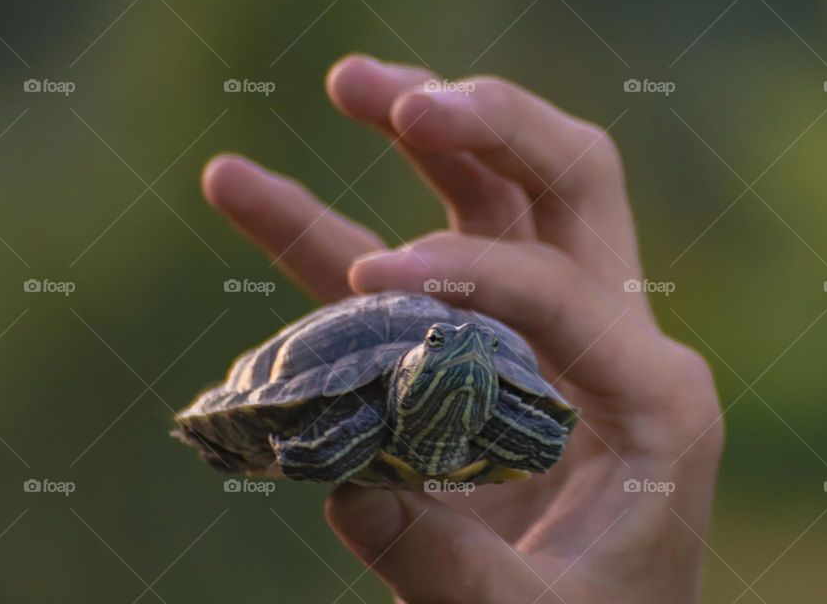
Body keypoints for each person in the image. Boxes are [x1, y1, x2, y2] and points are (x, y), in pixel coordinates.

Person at [201, 54, 723, 604]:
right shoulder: (369, 405)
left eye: (484, 348)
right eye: (440, 346)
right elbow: (307, 437)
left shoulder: (512, 427)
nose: (470, 348)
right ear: (405, 373)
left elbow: (544, 436)